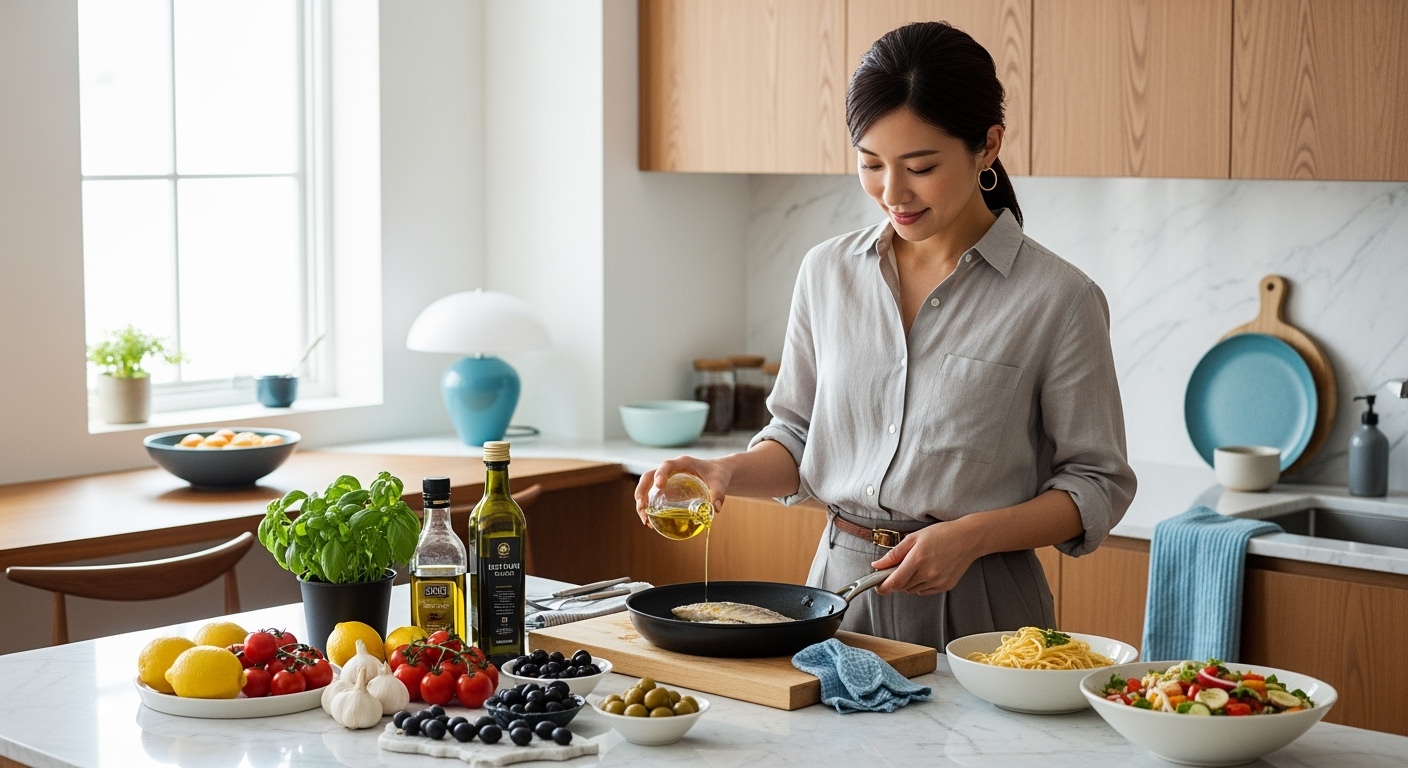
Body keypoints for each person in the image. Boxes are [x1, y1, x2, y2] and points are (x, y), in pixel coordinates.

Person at [634, 22, 1137, 649]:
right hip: (837, 599)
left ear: (987, 146)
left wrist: (972, 535)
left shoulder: (1059, 299)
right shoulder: (827, 273)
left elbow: (1098, 482)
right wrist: (724, 472)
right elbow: (796, 438)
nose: (892, 193)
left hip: (984, 609)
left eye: (920, 167)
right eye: (871, 164)